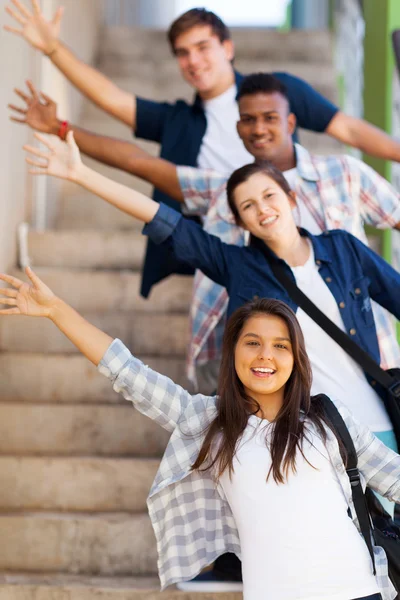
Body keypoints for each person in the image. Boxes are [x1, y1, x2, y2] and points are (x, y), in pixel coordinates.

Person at [0, 271, 397, 600]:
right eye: (253, 343)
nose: (265, 356)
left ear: (295, 360)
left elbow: (394, 477)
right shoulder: (211, 423)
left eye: (281, 346)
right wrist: (57, 312)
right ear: (233, 352)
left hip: (357, 590)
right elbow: (130, 374)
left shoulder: (327, 419)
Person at [12, 75, 400, 399]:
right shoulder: (238, 259)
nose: (262, 208)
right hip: (293, 416)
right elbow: (157, 205)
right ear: (238, 220)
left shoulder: (343, 243)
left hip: (372, 390)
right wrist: (80, 172)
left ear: (291, 197)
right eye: (247, 206)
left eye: (269, 196)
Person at [6, 2, 400, 302]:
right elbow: (122, 126)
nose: (193, 60)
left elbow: (346, 127)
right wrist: (54, 56)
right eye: (182, 52)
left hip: (305, 238)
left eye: (202, 46)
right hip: (236, 252)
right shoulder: (180, 122)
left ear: (227, 47)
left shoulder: (274, 91)